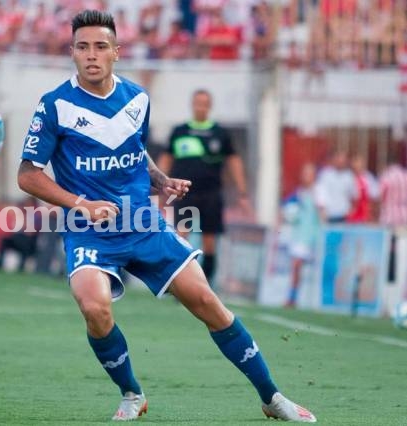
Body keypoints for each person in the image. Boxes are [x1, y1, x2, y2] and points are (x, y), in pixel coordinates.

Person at [17, 10, 316, 422]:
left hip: (142, 224)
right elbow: (27, 175)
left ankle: (271, 396)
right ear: (72, 52)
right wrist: (80, 205)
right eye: (83, 47)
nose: (91, 55)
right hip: (89, 230)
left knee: (208, 302)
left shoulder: (137, 99)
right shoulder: (54, 106)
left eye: (100, 47)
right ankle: (131, 393)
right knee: (94, 306)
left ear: (116, 53)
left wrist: (160, 180)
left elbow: (135, 153)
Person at [158, 88, 251, 286]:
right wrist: (160, 185)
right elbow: (166, 158)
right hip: (185, 194)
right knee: (182, 236)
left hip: (211, 194)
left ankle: (205, 284)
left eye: (204, 103)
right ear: (193, 105)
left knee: (210, 240)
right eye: (197, 103)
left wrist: (242, 191)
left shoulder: (220, 133)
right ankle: (181, 284)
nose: (200, 107)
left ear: (209, 106)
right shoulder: (180, 131)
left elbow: (234, 161)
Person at [282, 163, 324, 307]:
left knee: (297, 265)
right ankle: (292, 297)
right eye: (304, 173)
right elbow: (290, 212)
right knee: (296, 266)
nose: (305, 177)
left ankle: (295, 297)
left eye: (309, 173)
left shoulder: (318, 192)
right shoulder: (299, 193)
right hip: (298, 236)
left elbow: (323, 214)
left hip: (311, 237)